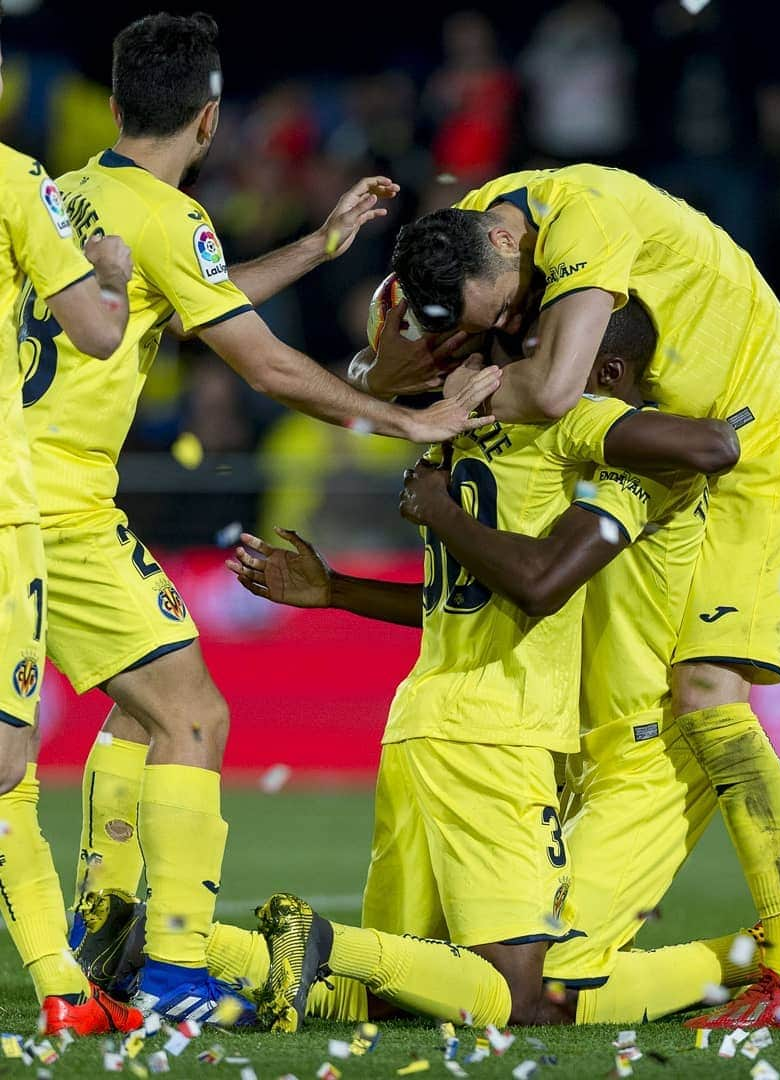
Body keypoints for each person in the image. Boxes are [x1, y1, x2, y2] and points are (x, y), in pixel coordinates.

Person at [19, 11, 497, 1025]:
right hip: (55, 503)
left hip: (20, 487)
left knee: (141, 709)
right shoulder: (164, 213)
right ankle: (176, 971)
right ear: (210, 121)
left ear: (113, 109)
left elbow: (197, 296)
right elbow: (267, 363)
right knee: (191, 715)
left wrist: (320, 247)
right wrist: (405, 418)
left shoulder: (65, 197)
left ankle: (101, 926)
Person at [376, 160, 780, 1026]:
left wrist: (448, 393)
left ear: (509, 246)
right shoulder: (465, 235)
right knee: (622, 693)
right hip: (647, 436)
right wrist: (411, 383)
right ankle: (748, 949)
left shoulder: (581, 216)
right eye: (490, 326)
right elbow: (379, 366)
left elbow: (552, 388)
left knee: (704, 689)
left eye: (509, 310)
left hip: (757, 436)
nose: (511, 326)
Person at [0, 6, 145, 1034]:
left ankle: (61, 987)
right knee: (7, 757)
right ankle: (62, 986)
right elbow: (97, 335)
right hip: (4, 515)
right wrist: (115, 278)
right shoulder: (18, 181)